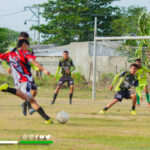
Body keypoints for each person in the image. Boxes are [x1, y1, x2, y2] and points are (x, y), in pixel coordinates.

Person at [0, 39, 53, 124]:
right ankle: (7, 89)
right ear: (24, 45)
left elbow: (1, 56)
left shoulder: (10, 54)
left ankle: (47, 119)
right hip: (25, 79)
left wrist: (7, 67)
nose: (28, 48)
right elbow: (33, 61)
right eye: (27, 46)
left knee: (32, 100)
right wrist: (44, 69)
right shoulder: (25, 53)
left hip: (17, 81)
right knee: (26, 97)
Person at [2, 32, 39, 116]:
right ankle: (29, 108)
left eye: (26, 40)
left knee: (34, 92)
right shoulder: (12, 49)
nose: (25, 42)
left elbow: (32, 62)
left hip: (28, 73)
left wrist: (36, 68)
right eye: (23, 40)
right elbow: (4, 59)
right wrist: (7, 67)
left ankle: (24, 104)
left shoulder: (29, 50)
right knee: (27, 91)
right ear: (19, 39)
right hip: (19, 73)